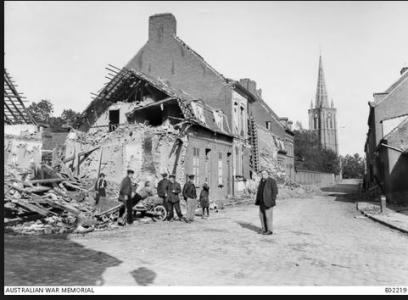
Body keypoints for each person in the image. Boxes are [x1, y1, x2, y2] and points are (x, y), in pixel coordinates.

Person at [255, 170, 278, 235]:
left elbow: (275, 191)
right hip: (261, 201)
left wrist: (272, 200)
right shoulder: (261, 181)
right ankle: (264, 229)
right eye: (262, 173)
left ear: (268, 174)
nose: (263, 174)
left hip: (268, 202)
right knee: (261, 216)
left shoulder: (272, 181)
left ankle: (269, 230)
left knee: (268, 216)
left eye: (264, 173)